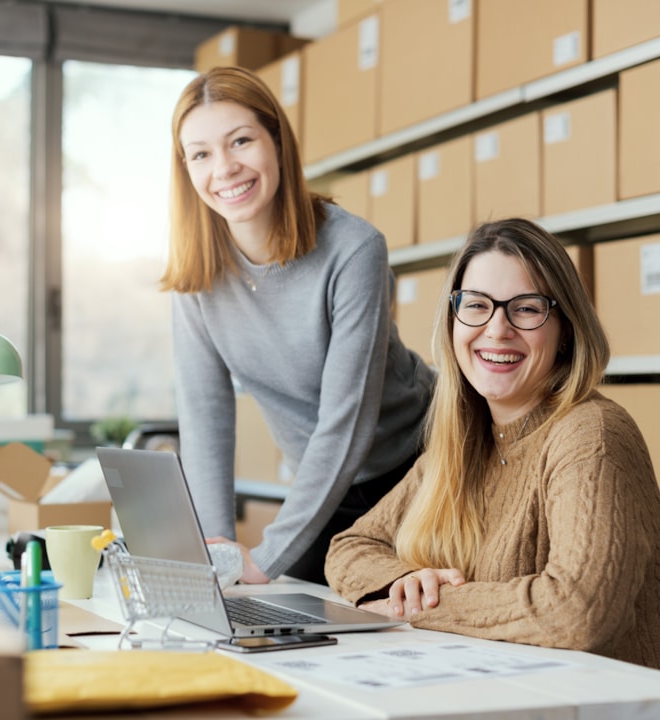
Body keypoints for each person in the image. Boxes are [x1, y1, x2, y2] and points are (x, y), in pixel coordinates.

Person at [325, 217, 660, 669]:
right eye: (476, 305)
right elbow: (349, 547)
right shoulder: (463, 444)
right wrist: (404, 580)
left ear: (565, 329)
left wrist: (425, 607)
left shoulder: (591, 434)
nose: (496, 329)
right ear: (453, 319)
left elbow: (578, 611)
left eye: (525, 308)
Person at [160, 66, 435, 585]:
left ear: (277, 142)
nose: (224, 168)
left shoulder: (353, 250)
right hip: (323, 484)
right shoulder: (196, 275)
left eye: (240, 140)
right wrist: (217, 548)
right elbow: (204, 414)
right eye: (201, 153)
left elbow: (347, 419)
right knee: (293, 612)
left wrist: (265, 559)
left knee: (396, 612)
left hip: (417, 467)